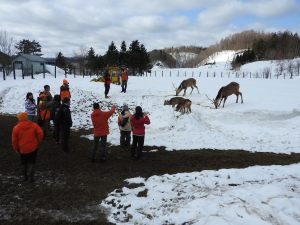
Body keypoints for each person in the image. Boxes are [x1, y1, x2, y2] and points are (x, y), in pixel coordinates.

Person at [12, 112, 44, 182]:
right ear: (26, 117)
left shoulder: (16, 128)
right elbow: (40, 133)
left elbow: (14, 140)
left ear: (19, 118)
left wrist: (16, 148)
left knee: (24, 163)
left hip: (22, 148)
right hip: (33, 147)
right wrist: (38, 141)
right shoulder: (33, 125)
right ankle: (31, 178)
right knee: (32, 162)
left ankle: (25, 177)